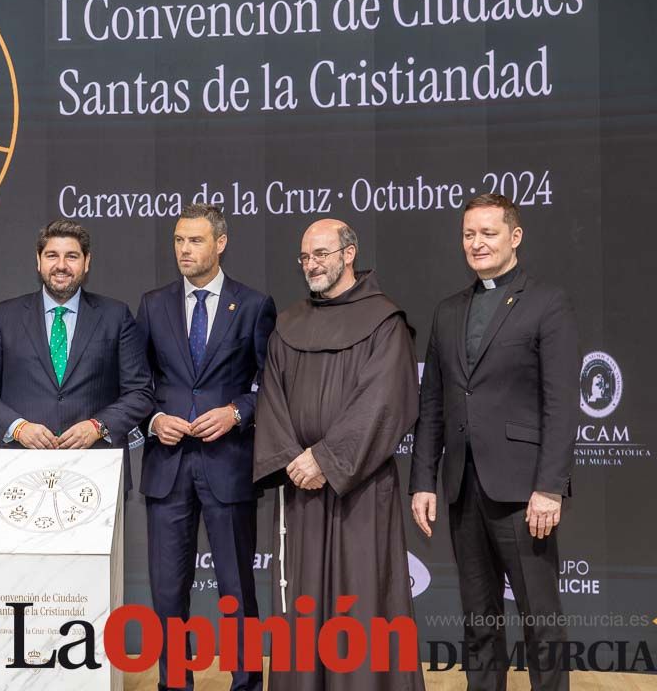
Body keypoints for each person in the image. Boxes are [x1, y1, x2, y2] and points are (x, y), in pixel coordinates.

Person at [409, 194, 577, 691]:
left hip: (524, 494)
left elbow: (561, 405)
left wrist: (549, 487)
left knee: (540, 620)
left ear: (515, 237)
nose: (476, 243)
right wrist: (423, 481)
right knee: (478, 620)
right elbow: (433, 405)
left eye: (488, 233)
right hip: (463, 490)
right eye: (468, 234)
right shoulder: (447, 311)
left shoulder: (547, 302)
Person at [252, 220, 423, 691]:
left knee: (361, 600)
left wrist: (326, 460)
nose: (312, 265)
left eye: (322, 254)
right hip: (300, 490)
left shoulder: (384, 321)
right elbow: (271, 397)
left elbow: (385, 401)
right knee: (302, 607)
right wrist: (293, 458)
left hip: (360, 489)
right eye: (306, 257)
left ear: (349, 255)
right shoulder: (288, 324)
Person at [135, 204, 276, 691]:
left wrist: (237, 412)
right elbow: (138, 384)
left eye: (194, 241)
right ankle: (175, 684)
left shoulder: (254, 305)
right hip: (168, 465)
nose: (184, 250)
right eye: (178, 240)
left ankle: (246, 684)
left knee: (236, 589)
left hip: (229, 462)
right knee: (168, 592)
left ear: (220, 243)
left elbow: (271, 385)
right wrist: (154, 419)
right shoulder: (153, 304)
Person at [0, 218, 152, 476]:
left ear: (87, 262)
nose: (61, 265)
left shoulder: (115, 316)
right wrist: (18, 428)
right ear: (38, 261)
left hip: (97, 467)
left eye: (72, 256)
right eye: (52, 255)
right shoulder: (4, 316)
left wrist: (97, 426)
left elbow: (140, 393)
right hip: (21, 466)